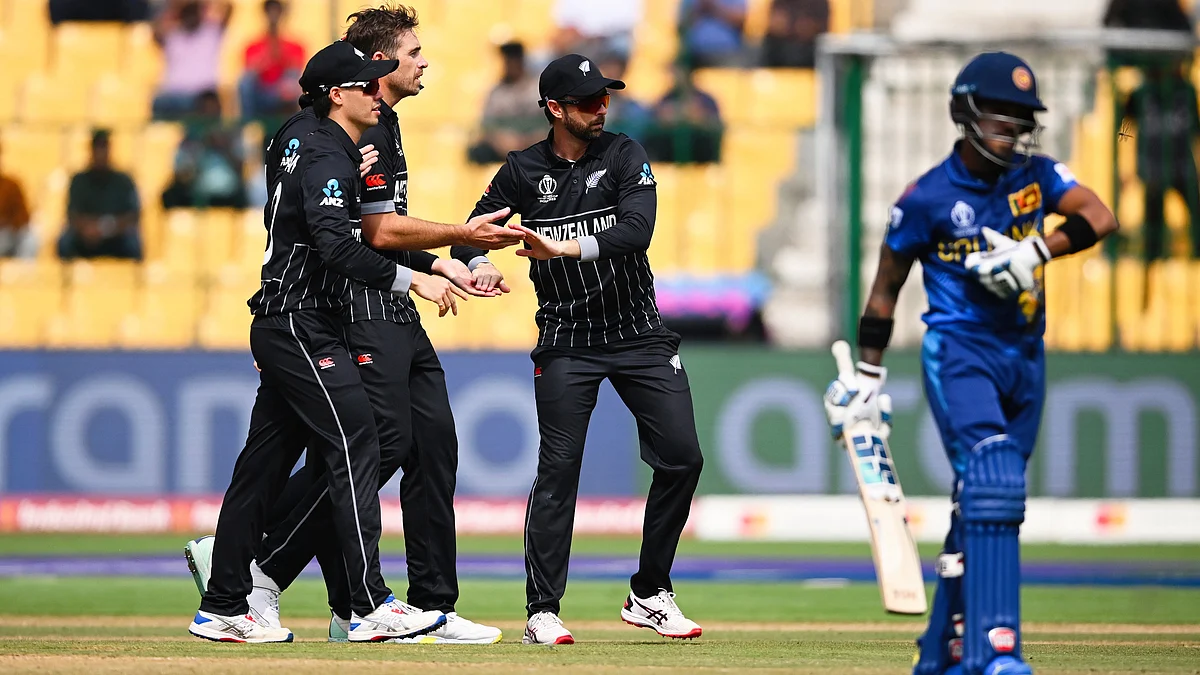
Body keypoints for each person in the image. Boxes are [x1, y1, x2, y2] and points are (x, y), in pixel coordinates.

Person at [184, 4, 524, 645]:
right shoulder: (331, 143)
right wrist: (428, 268)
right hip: (316, 315)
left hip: (302, 312)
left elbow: (358, 229)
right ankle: (341, 599)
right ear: (343, 90)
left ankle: (236, 590)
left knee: (283, 457)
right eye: (403, 58)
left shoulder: (334, 132)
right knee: (366, 442)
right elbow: (350, 239)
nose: (413, 67)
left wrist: (441, 267)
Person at [823, 52, 1118, 675]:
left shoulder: (1038, 176)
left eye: (1022, 119)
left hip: (1025, 355)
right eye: (1001, 118)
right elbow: (884, 292)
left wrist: (1038, 248)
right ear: (966, 114)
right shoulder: (927, 197)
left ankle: (943, 649)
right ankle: (993, 647)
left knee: (988, 501)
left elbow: (1100, 217)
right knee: (991, 478)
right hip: (960, 354)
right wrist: (868, 379)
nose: (1013, 131)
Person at [467, 54, 706, 645]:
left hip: (638, 332)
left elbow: (636, 230)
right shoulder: (523, 170)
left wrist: (561, 250)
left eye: (605, 99)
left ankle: (650, 591)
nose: (602, 109)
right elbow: (478, 223)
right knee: (559, 470)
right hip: (567, 340)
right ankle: (542, 611)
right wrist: (477, 265)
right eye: (587, 102)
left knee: (682, 458)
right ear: (554, 108)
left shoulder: (624, 154)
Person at [1120, 58, 1200, 261]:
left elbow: (1195, 128)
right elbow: (1126, 124)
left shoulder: (1186, 90)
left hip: (1182, 165)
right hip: (1152, 165)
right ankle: (1153, 258)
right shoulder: (1141, 92)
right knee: (1153, 218)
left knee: (1196, 209)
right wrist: (1125, 144)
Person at [58, 130, 142, 260]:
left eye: (104, 148)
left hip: (116, 236)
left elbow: (132, 216)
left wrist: (105, 228)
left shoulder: (124, 181)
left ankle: (134, 278)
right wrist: (87, 229)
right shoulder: (79, 180)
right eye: (97, 148)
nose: (100, 154)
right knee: (65, 242)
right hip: (86, 237)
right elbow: (72, 215)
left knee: (133, 242)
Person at [468, 41, 545, 164]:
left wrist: (533, 140)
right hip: (505, 150)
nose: (511, 64)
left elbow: (553, 119)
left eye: (514, 59)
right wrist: (499, 139)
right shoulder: (497, 92)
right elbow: (487, 126)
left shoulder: (539, 87)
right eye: (508, 60)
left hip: (538, 145)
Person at [153, 0, 231, 120]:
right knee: (158, 102)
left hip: (202, 95)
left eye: (193, 12)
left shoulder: (212, 31)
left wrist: (202, 3)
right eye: (187, 12)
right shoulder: (172, 34)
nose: (190, 16)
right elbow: (155, 28)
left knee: (208, 104)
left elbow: (228, 8)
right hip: (174, 95)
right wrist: (176, 6)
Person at [239, 0, 305, 120]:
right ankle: (246, 123)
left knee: (293, 79)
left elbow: (295, 71)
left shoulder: (295, 46)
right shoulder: (253, 46)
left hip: (283, 93)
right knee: (245, 81)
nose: (273, 16)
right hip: (261, 93)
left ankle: (297, 124)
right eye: (270, 11)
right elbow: (250, 73)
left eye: (276, 11)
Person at [644, 63, 723, 164]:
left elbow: (715, 127)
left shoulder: (706, 100)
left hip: (701, 157)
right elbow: (655, 123)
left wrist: (699, 118)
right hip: (669, 157)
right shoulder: (665, 99)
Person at [760, 0, 829, 69]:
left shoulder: (819, 2)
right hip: (782, 47)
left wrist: (803, 27)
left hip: (809, 49)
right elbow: (774, 23)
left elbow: (821, 28)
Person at [678, 0, 747, 68]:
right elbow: (682, 23)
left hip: (726, 55)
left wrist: (713, 7)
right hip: (694, 56)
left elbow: (742, 19)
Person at [0, 141, 35, 258]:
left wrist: (9, 223)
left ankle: (24, 275)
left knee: (30, 238)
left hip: (7, 233)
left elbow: (24, 217)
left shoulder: (12, 185)